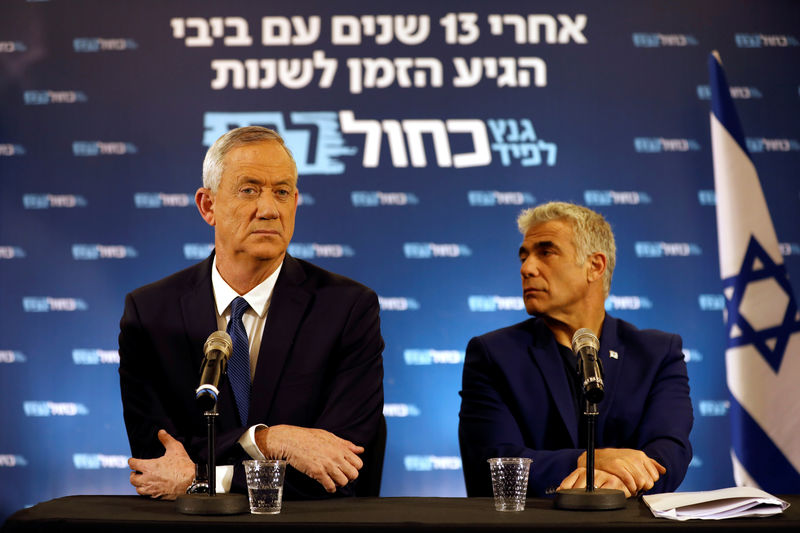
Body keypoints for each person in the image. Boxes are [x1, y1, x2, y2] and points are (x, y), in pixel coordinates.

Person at [119, 126, 384, 500]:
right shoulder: (149, 315)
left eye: (281, 192)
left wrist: (203, 479)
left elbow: (341, 468)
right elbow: (157, 465)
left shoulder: (347, 308)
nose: (269, 209)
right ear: (208, 206)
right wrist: (269, 439)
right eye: (249, 190)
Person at [458, 201, 693, 498]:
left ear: (595, 266)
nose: (527, 268)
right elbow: (492, 462)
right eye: (524, 257)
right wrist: (587, 461)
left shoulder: (657, 353)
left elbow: (669, 451)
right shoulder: (493, 354)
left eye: (546, 252)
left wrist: (619, 483)